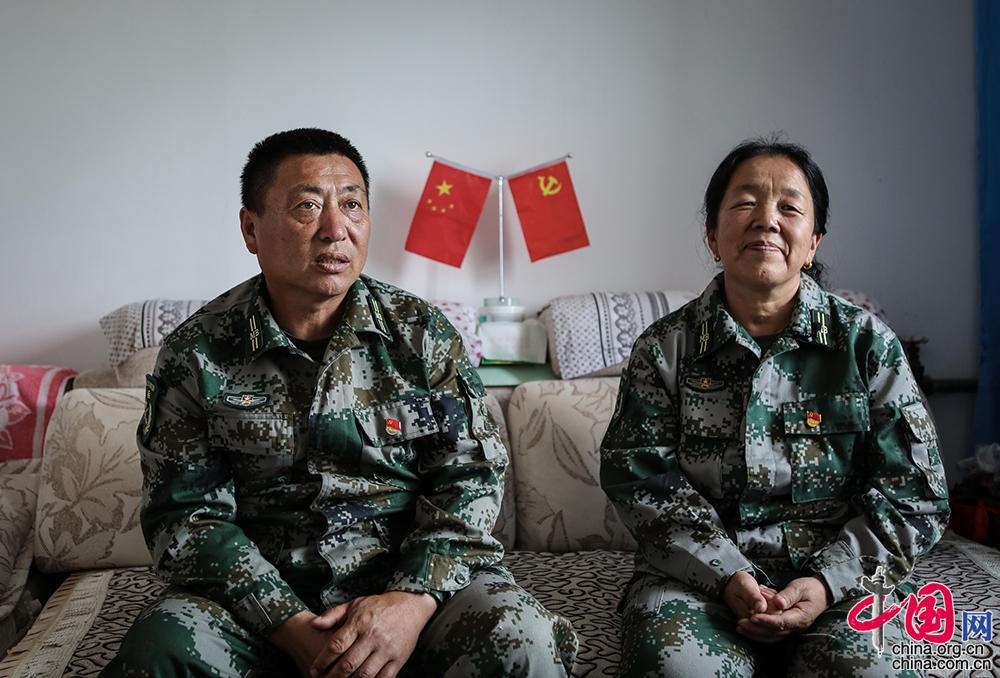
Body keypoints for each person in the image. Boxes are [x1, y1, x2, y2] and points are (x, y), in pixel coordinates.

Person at [104, 128, 577, 678]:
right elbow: (186, 517)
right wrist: (288, 624)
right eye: (307, 206)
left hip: (413, 596)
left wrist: (411, 600)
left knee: (521, 638)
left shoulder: (422, 336)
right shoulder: (196, 353)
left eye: (352, 205)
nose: (336, 229)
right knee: (161, 649)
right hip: (258, 610)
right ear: (251, 228)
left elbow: (470, 478)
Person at [600, 138, 949, 677]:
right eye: (745, 203)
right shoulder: (664, 349)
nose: (766, 219)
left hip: (845, 583)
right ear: (712, 236)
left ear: (813, 242)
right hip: (695, 581)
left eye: (789, 207)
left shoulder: (867, 346)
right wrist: (727, 575)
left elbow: (916, 496)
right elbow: (639, 479)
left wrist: (825, 581)